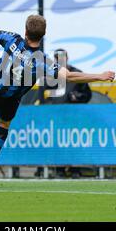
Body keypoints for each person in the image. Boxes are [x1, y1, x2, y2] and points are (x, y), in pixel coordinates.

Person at [0, 10, 115, 188]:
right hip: (9, 99)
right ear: (43, 35)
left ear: (25, 31)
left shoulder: (13, 40)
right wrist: (99, 76)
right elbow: (69, 76)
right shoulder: (42, 61)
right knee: (2, 125)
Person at [43, 48, 92, 178]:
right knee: (59, 142)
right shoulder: (49, 76)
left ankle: (75, 169)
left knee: (74, 141)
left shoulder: (77, 74)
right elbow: (43, 97)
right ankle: (60, 169)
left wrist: (78, 97)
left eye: (62, 58)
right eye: (58, 59)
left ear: (67, 58)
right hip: (58, 117)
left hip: (74, 117)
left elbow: (87, 94)